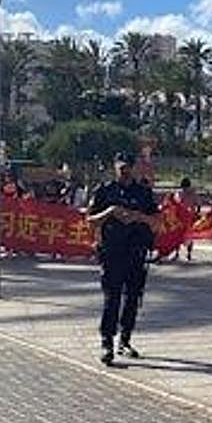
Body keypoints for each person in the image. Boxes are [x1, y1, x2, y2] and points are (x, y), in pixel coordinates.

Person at [86, 153, 160, 367]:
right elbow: (89, 220)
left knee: (133, 299)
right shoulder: (104, 191)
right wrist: (110, 212)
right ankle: (107, 342)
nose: (125, 170)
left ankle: (125, 340)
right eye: (121, 167)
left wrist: (139, 216)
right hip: (112, 252)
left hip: (136, 252)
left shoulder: (143, 192)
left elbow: (156, 221)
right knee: (112, 298)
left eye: (128, 167)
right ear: (115, 167)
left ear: (134, 167)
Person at [172, 177, 198, 261]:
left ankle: (188, 253)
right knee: (179, 235)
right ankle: (179, 253)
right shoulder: (181, 193)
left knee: (188, 235)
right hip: (182, 217)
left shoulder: (189, 193)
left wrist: (196, 213)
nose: (185, 189)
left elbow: (197, 204)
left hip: (188, 217)